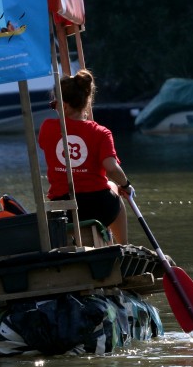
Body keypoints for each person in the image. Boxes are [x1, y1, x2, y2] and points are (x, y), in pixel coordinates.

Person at [38, 69, 132, 243]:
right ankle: (122, 245)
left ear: (64, 105)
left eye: (54, 105)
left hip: (62, 208)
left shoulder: (46, 127)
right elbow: (111, 168)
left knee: (112, 187)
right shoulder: (101, 132)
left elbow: (46, 146)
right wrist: (126, 185)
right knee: (114, 188)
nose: (54, 109)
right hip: (99, 206)